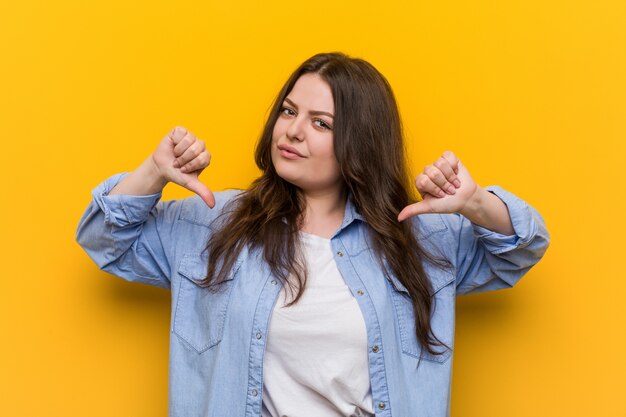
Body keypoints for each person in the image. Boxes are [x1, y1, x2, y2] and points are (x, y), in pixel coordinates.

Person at [75, 51, 550, 417]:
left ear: (359, 143)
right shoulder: (212, 223)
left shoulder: (418, 239)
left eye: (320, 123)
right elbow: (102, 237)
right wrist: (154, 172)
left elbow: (522, 248)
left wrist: (473, 203)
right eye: (288, 111)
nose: (293, 131)